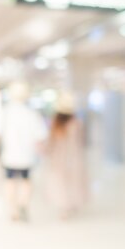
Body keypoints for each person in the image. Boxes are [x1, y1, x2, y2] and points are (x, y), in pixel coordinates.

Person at [0, 82, 47, 222]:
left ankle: (13, 210)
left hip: (9, 155)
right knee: (26, 180)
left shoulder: (4, 112)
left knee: (10, 181)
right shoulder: (32, 113)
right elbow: (40, 136)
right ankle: (24, 203)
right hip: (27, 155)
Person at [44, 92, 88, 220]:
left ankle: (64, 207)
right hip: (74, 158)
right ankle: (71, 204)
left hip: (59, 158)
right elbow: (81, 142)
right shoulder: (77, 123)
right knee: (73, 182)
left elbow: (51, 141)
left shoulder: (55, 123)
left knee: (61, 182)